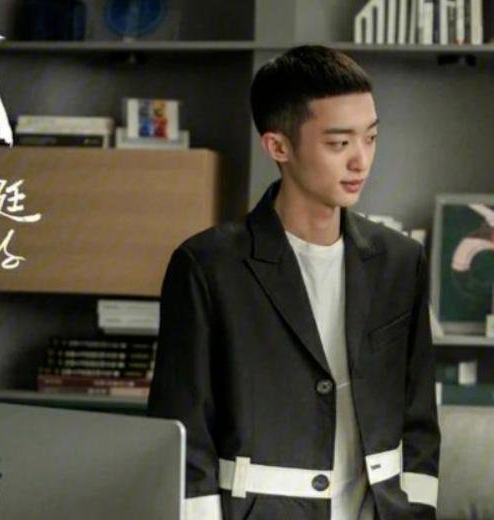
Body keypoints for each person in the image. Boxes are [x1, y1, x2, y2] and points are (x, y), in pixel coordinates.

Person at [148, 45, 440, 520]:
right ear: (278, 147)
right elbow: (185, 433)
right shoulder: (207, 266)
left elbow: (419, 416)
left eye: (370, 138)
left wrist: (419, 511)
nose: (361, 160)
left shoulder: (401, 262)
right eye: (339, 143)